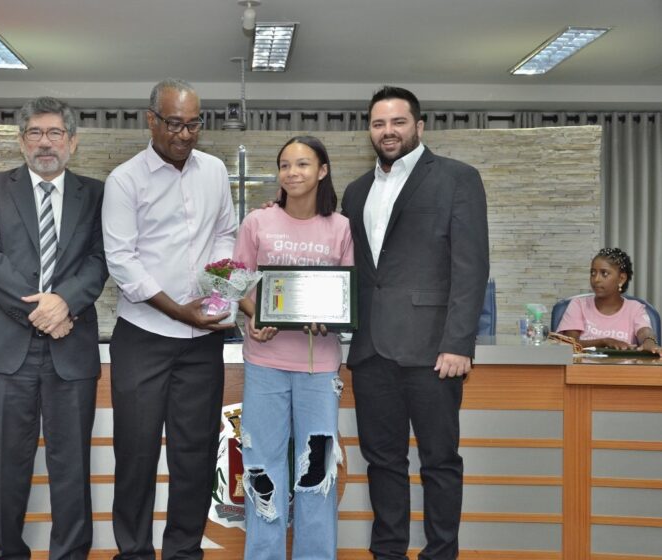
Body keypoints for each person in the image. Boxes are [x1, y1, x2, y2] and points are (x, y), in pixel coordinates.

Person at [341, 86, 489, 560]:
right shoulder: (356, 190)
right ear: (370, 129)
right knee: (382, 462)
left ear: (419, 126)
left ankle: (441, 552)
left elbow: (471, 266)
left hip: (434, 352)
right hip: (370, 352)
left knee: (439, 462)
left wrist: (459, 341)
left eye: (398, 122)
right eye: (379, 123)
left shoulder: (456, 179)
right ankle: (388, 552)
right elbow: (354, 269)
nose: (388, 132)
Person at [0, 96, 108, 559]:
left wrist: (65, 303)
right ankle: (7, 554)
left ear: (73, 141)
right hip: (5, 351)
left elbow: (101, 260)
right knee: (5, 467)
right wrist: (43, 312)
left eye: (55, 133)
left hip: (72, 348)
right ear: (22, 141)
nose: (46, 143)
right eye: (35, 134)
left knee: (71, 468)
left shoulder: (96, 194)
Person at [102, 78, 237, 560]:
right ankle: (134, 552)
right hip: (144, 337)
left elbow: (226, 234)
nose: (184, 134)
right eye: (174, 123)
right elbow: (121, 260)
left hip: (202, 344)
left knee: (196, 455)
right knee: (136, 454)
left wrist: (216, 296)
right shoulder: (125, 180)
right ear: (151, 120)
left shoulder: (215, 171)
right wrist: (179, 310)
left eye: (193, 123)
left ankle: (184, 551)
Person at [233, 135, 353, 559]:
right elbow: (238, 282)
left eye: (303, 164)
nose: (292, 172)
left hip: (319, 370)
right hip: (265, 363)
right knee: (262, 471)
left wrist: (335, 316)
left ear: (322, 171)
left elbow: (347, 293)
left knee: (315, 474)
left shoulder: (340, 227)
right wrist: (254, 314)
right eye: (285, 165)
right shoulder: (258, 222)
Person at [557, 248, 661, 356]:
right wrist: (605, 342)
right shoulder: (578, 305)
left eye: (604, 273)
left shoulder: (635, 308)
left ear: (621, 278)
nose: (596, 279)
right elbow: (570, 345)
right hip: (583, 370)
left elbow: (644, 331)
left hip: (624, 370)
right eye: (593, 273)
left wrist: (649, 342)